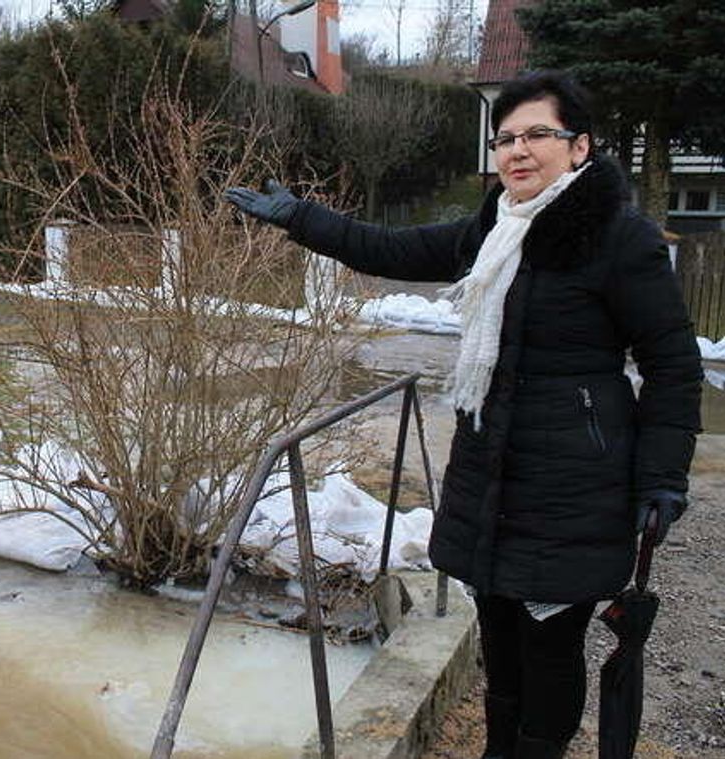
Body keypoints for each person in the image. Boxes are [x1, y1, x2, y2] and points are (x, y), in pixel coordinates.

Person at [226, 70, 702, 759]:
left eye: (538, 134)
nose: (518, 150)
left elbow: (673, 365)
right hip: (489, 474)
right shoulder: (491, 230)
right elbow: (386, 247)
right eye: (505, 138)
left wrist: (661, 478)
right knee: (499, 634)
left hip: (573, 487)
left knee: (550, 646)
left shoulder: (617, 238)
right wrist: (301, 217)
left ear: (580, 147)